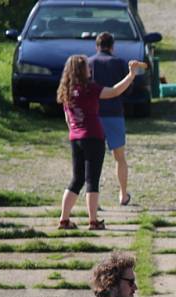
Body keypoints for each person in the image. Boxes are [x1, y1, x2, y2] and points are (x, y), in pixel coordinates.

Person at [56, 55, 144, 230]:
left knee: (76, 179)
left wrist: (75, 130)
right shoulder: (90, 88)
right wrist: (131, 75)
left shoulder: (66, 91)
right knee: (92, 180)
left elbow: (67, 118)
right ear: (81, 71)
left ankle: (64, 219)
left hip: (76, 138)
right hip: (94, 138)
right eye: (88, 67)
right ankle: (93, 221)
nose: (90, 70)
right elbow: (115, 91)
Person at [89, 32, 132, 207]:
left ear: (96, 46)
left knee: (92, 158)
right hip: (114, 113)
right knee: (119, 157)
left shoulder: (89, 63)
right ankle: (122, 194)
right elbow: (127, 90)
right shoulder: (119, 63)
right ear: (112, 46)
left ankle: (93, 199)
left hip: (94, 114)